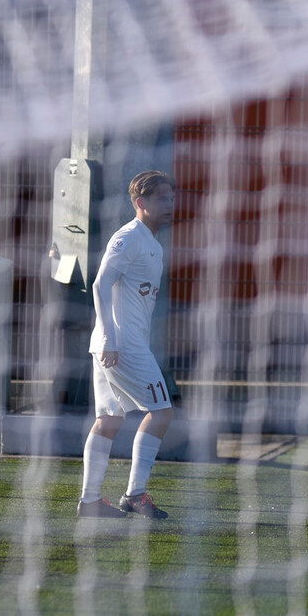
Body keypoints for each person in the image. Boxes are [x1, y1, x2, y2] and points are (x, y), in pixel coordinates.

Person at [77, 170, 176, 520]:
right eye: (161, 199)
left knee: (108, 420)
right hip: (122, 345)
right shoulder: (129, 237)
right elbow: (101, 283)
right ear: (140, 203)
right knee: (161, 412)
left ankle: (90, 502)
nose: (169, 204)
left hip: (114, 344)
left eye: (170, 198)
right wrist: (109, 336)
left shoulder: (154, 244)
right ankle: (135, 494)